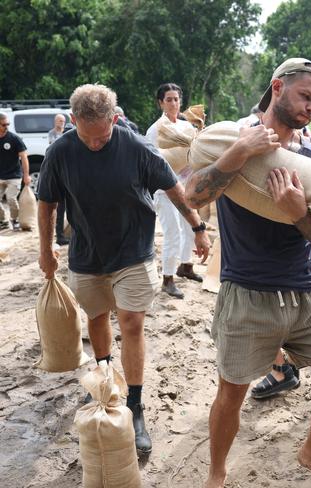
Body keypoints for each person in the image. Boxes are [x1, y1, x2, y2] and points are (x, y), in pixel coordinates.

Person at [184, 57, 311, 488]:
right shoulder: (233, 136)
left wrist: (299, 213)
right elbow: (193, 193)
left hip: (307, 295)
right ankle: (217, 472)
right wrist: (241, 151)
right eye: (305, 96)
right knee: (231, 396)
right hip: (247, 293)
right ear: (278, 87)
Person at [37, 84, 210, 454]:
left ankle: (134, 403)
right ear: (73, 122)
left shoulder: (137, 147)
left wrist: (197, 228)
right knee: (97, 318)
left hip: (134, 252)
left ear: (114, 120)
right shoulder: (60, 152)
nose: (96, 144)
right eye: (87, 137)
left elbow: (173, 187)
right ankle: (104, 382)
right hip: (87, 256)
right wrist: (45, 249)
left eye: (102, 136)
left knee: (131, 322)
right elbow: (47, 202)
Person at [146, 83, 202, 299]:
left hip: (186, 184)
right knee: (173, 233)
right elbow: (152, 162)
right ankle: (167, 279)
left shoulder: (186, 127)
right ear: (160, 102)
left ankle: (186, 266)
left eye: (176, 99)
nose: (173, 103)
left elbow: (193, 154)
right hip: (164, 189)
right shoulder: (155, 130)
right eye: (168, 99)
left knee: (190, 227)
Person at [0, 112, 31, 231]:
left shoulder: (14, 138)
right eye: (3, 124)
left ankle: (15, 219)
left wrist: (26, 175)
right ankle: (3, 221)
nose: (6, 126)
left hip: (14, 175)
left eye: (8, 124)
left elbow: (24, 157)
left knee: (11, 198)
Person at [47, 114, 70, 245]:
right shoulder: (54, 138)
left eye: (62, 121)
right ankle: (60, 236)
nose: (61, 123)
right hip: (60, 180)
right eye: (59, 120)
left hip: (65, 180)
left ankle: (64, 235)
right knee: (59, 210)